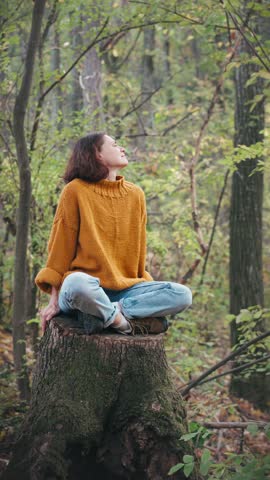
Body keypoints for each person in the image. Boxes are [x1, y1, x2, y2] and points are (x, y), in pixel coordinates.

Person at [35, 132, 192, 336]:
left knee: (182, 294)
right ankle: (123, 323)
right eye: (115, 145)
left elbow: (139, 253)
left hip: (125, 291)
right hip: (84, 289)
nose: (122, 148)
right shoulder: (75, 191)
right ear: (97, 154)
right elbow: (60, 249)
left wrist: (148, 290)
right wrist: (53, 301)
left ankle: (106, 313)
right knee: (77, 283)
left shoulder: (136, 195)